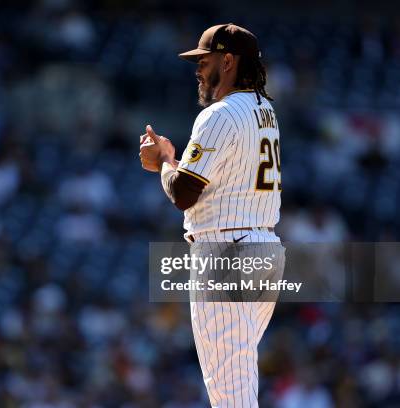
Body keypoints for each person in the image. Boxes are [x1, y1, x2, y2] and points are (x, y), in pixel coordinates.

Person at [139, 23, 283, 407]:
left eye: (205, 59)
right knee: (238, 379)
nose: (198, 68)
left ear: (229, 61)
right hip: (264, 249)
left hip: (227, 253)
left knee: (231, 395)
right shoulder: (265, 110)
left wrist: (165, 160)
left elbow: (183, 193)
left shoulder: (219, 113)